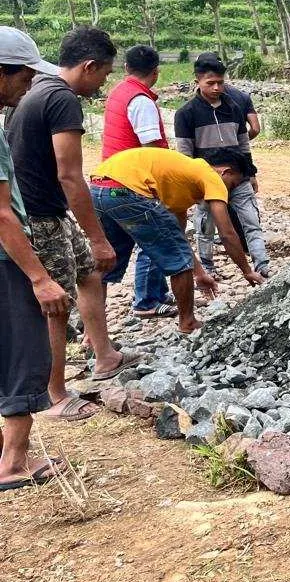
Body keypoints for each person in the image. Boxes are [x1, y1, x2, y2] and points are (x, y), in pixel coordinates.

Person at [6, 26, 132, 421]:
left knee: (89, 275)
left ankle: (104, 354)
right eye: (105, 73)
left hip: (48, 211)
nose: (103, 82)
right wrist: (98, 236)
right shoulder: (62, 98)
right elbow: (70, 175)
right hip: (40, 216)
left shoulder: (36, 90)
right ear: (90, 66)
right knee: (54, 303)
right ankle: (53, 394)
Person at [90, 147, 264, 333]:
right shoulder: (211, 176)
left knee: (106, 263)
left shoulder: (181, 181)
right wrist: (247, 271)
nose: (228, 191)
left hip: (99, 187)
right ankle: (188, 322)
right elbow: (227, 233)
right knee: (179, 264)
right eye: (233, 185)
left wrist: (199, 273)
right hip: (127, 189)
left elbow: (177, 239)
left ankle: (92, 335)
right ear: (226, 172)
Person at [0, 29, 70, 489]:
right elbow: (2, 215)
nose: (29, 84)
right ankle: (14, 464)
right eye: (24, 75)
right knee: (26, 353)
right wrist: (40, 278)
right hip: (6, 259)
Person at [175, 53, 270, 277]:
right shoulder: (186, 114)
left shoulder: (234, 107)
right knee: (205, 226)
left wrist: (251, 172)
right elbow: (185, 155)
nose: (217, 88)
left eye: (220, 82)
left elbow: (244, 144)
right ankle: (208, 267)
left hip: (239, 177)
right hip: (207, 182)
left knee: (251, 221)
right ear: (197, 80)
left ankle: (262, 263)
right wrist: (194, 186)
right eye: (211, 83)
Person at [100, 44, 173, 318]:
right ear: (156, 72)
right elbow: (152, 149)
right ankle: (147, 301)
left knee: (114, 248)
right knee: (154, 237)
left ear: (126, 68)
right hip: (132, 184)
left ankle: (94, 318)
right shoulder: (141, 101)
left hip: (109, 181)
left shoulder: (118, 92)